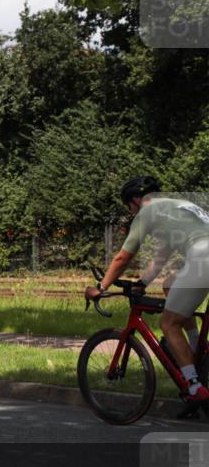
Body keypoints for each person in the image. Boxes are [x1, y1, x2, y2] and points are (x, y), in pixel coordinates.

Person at [85, 176, 209, 415]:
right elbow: (162, 256)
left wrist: (100, 287)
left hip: (204, 256)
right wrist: (142, 283)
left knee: (168, 324)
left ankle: (194, 386)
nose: (131, 212)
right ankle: (198, 353)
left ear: (135, 199)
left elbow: (123, 258)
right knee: (171, 284)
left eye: (128, 207)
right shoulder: (177, 206)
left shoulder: (146, 212)